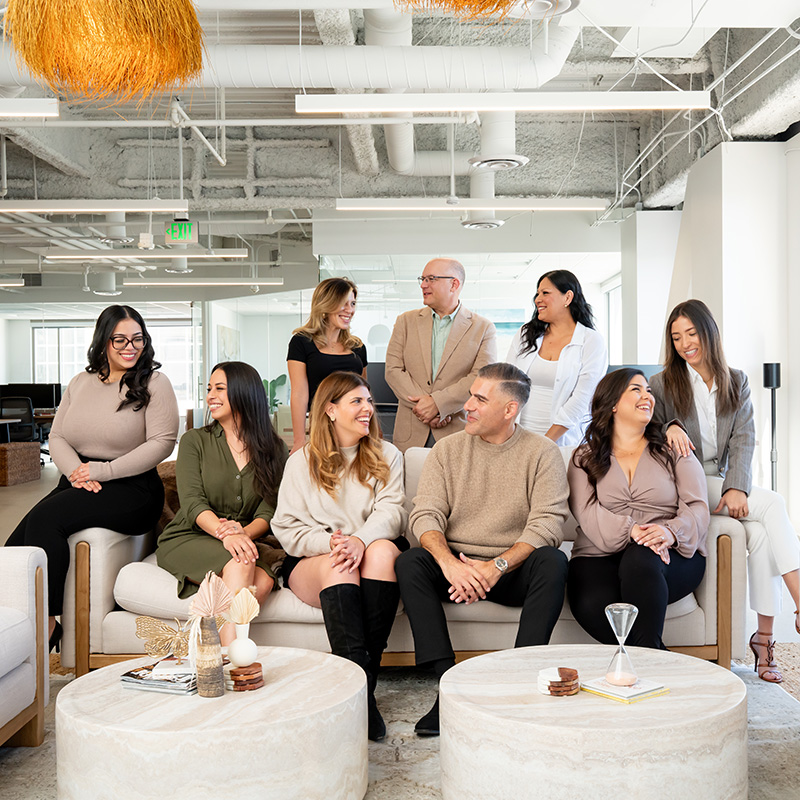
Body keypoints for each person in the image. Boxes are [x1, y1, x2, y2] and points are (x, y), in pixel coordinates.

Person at [396, 362, 569, 737]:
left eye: (479, 398)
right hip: (456, 566)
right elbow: (424, 515)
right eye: (470, 395)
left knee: (553, 561)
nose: (467, 405)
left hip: (511, 570)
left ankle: (519, 680)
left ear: (510, 410)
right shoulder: (446, 450)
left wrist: (496, 566)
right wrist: (450, 565)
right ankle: (448, 687)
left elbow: (548, 525)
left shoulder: (542, 453)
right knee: (411, 561)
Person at [5, 305, 178, 652]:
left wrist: (104, 470)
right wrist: (75, 473)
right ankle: (13, 620)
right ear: (103, 342)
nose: (131, 347)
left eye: (138, 338)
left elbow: (163, 443)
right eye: (120, 339)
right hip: (78, 479)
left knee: (45, 518)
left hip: (132, 488)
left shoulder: (155, 383)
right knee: (16, 542)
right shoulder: (80, 382)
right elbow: (58, 437)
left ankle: (49, 622)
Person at [651, 299, 800, 682]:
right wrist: (669, 424)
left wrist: (736, 486)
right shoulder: (662, 383)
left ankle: (763, 642)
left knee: (763, 535)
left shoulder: (737, 380)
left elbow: (746, 440)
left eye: (692, 333)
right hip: (688, 482)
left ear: (709, 332)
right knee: (775, 503)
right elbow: (645, 430)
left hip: (721, 480)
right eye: (677, 337)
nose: (685, 343)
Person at [270, 371, 408, 742]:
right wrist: (332, 542)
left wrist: (360, 540)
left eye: (369, 402)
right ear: (330, 410)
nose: (368, 410)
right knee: (339, 567)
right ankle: (359, 698)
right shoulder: (301, 462)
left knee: (383, 553)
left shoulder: (387, 454)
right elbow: (285, 527)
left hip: (368, 548)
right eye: (357, 402)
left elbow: (393, 513)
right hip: (317, 558)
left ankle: (360, 693)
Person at [567, 369, 709, 651]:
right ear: (613, 403)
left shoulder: (674, 449)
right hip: (599, 555)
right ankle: (656, 657)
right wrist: (630, 530)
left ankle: (648, 663)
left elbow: (697, 506)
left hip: (668, 554)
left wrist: (669, 532)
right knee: (591, 604)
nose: (647, 396)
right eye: (636, 389)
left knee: (641, 559)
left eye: (649, 391)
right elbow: (586, 512)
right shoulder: (583, 457)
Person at [156, 362, 287, 645]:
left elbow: (269, 509)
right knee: (241, 564)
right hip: (190, 536)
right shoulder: (194, 441)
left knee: (263, 581)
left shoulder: (274, 449)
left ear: (243, 393)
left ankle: (210, 650)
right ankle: (231, 663)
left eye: (219, 388)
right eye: (209, 389)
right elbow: (192, 503)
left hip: (243, 538)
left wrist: (243, 534)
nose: (210, 396)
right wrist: (225, 534)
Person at [385, 257, 497, 451]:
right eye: (422, 279)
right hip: (411, 431)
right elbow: (393, 370)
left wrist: (439, 404)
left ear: (454, 284)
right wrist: (425, 407)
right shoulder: (405, 321)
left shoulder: (483, 328)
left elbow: (481, 378)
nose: (423, 285)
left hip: (457, 431)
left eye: (431, 279)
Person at [506, 269, 607, 446]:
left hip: (565, 441)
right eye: (537, 293)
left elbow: (583, 399)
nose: (537, 299)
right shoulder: (525, 334)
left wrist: (545, 443)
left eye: (545, 293)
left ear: (567, 297)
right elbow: (506, 381)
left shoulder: (591, 341)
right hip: (518, 436)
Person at [287, 277, 367, 454]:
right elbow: (299, 394)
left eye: (353, 304)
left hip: (354, 427)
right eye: (343, 304)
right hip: (321, 428)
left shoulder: (358, 347)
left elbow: (364, 394)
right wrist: (299, 439)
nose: (350, 310)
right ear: (326, 304)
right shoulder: (301, 342)